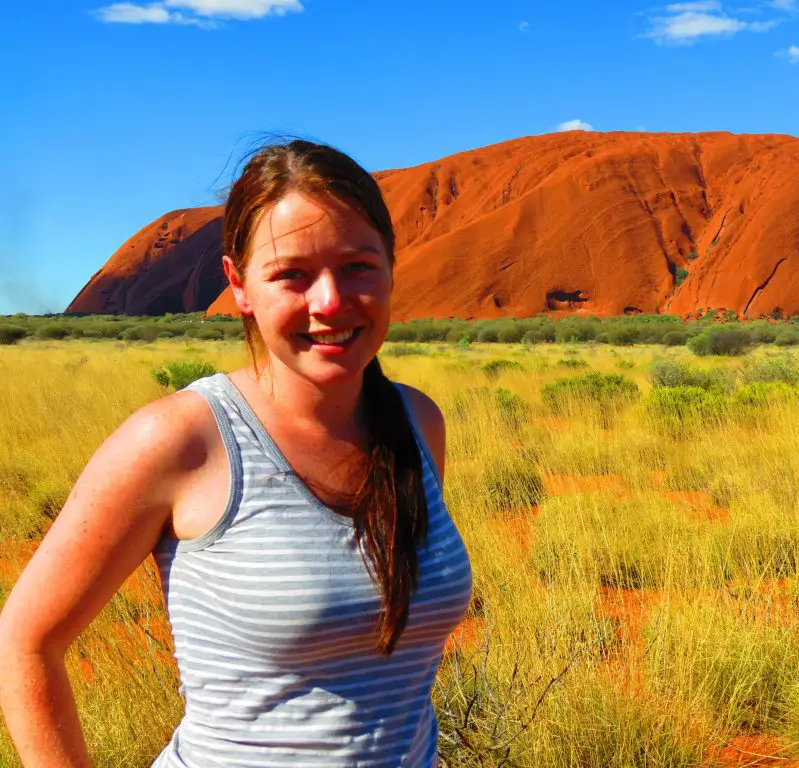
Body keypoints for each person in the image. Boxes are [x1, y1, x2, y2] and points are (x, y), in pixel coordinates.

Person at [0, 140, 473, 766]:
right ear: (238, 285)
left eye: (358, 265)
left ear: (391, 266)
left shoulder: (417, 422)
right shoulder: (181, 441)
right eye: (291, 274)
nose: (330, 301)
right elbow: (26, 641)